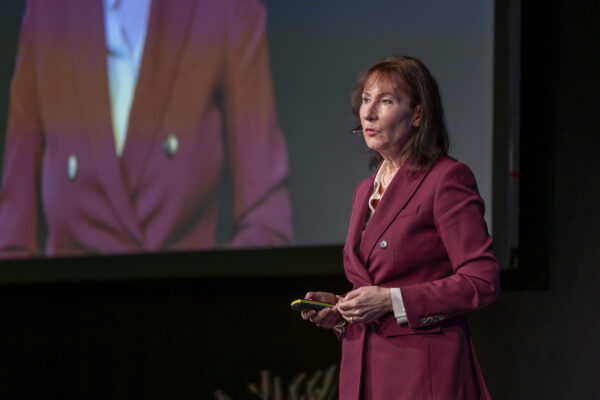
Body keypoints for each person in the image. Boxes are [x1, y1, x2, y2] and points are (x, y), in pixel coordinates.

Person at [0, 0, 292, 258]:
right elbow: (11, 237)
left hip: (189, 306)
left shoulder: (224, 7)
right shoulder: (46, 8)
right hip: (69, 309)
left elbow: (266, 220)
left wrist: (209, 301)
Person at [300, 56, 500, 399]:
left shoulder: (446, 179)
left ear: (419, 114)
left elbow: (481, 281)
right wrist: (343, 308)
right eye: (365, 100)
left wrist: (391, 301)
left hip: (421, 376)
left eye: (386, 101)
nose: (369, 112)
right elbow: (377, 284)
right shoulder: (364, 190)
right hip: (364, 375)